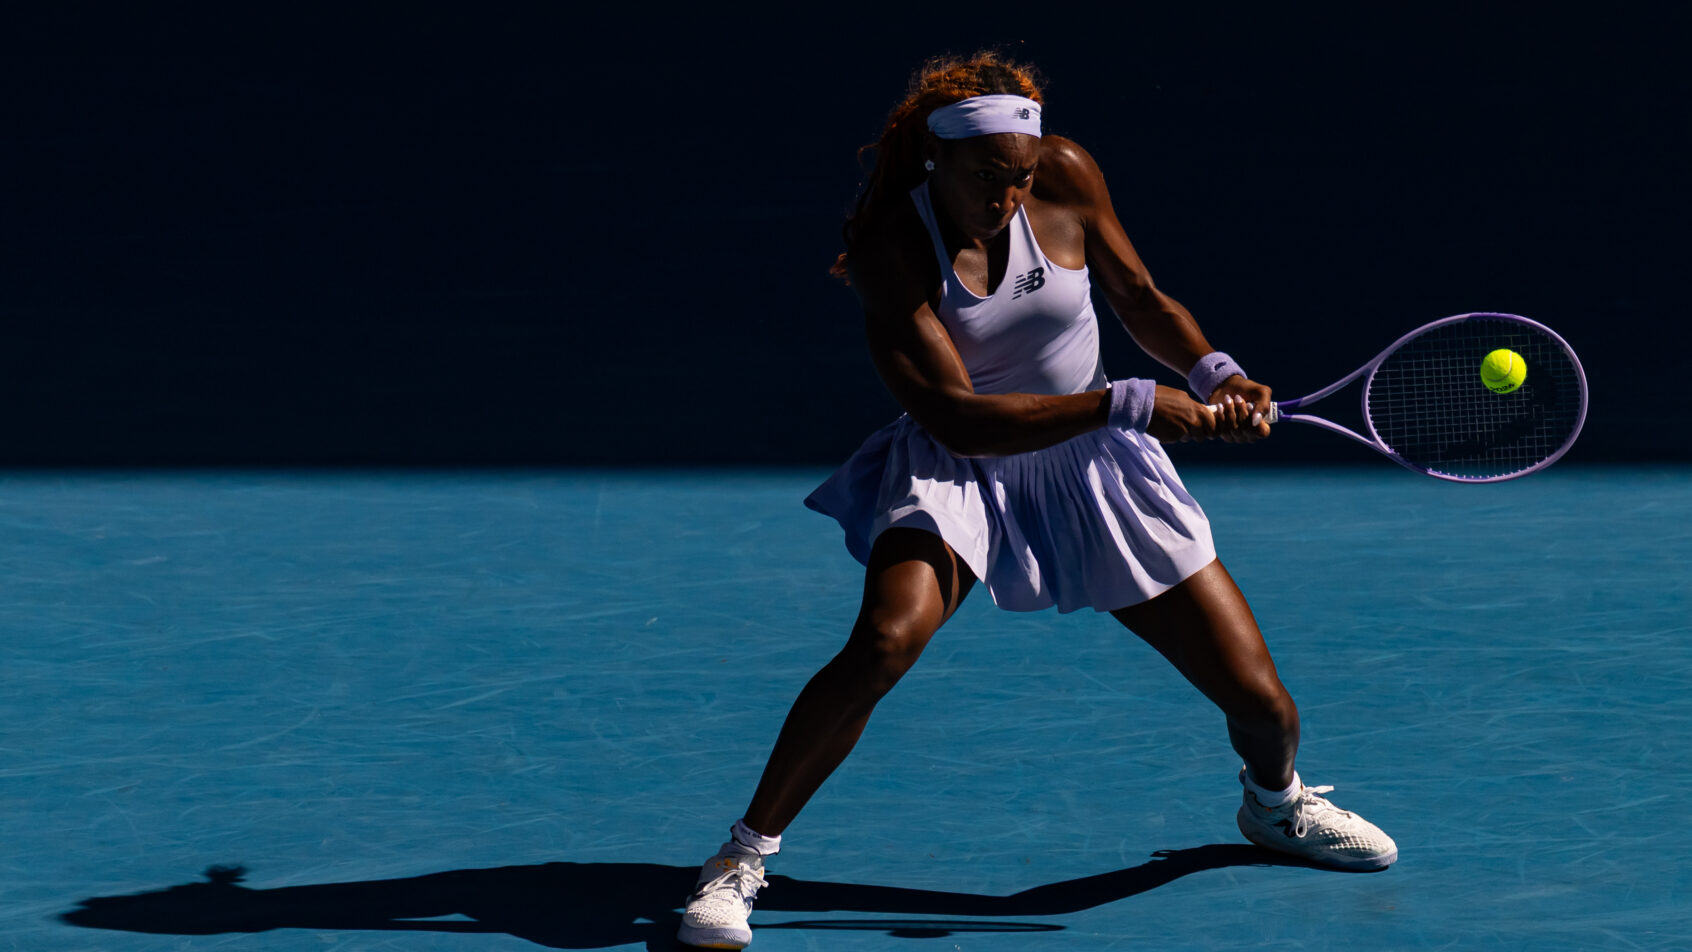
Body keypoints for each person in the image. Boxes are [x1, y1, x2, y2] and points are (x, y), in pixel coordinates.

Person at [676, 51, 1396, 950]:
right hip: (961, 463)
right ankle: (738, 861)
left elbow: (1138, 296)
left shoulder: (1065, 173)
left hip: (1096, 467)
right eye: (988, 177)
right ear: (935, 159)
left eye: (1021, 177)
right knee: (885, 640)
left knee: (1264, 706)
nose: (1009, 197)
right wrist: (1130, 402)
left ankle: (1275, 805)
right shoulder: (890, 247)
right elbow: (957, 418)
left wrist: (1219, 372)